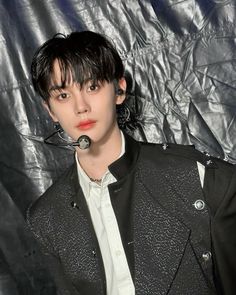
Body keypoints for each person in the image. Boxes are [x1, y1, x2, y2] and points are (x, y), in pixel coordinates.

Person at [27, 31, 236, 295]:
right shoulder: (46, 217)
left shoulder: (199, 177)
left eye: (92, 86)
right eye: (63, 96)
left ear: (119, 90)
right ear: (50, 110)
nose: (81, 106)